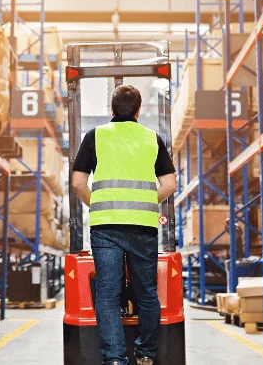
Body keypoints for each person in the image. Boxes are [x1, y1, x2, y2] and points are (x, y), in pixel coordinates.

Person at [70, 85, 178, 365]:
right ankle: (145, 355)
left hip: (106, 226)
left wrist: (95, 203)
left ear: (112, 109)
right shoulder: (153, 139)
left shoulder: (96, 136)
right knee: (147, 292)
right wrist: (144, 202)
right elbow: (170, 184)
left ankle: (115, 359)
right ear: (138, 110)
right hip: (143, 225)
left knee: (107, 293)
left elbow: (78, 182)